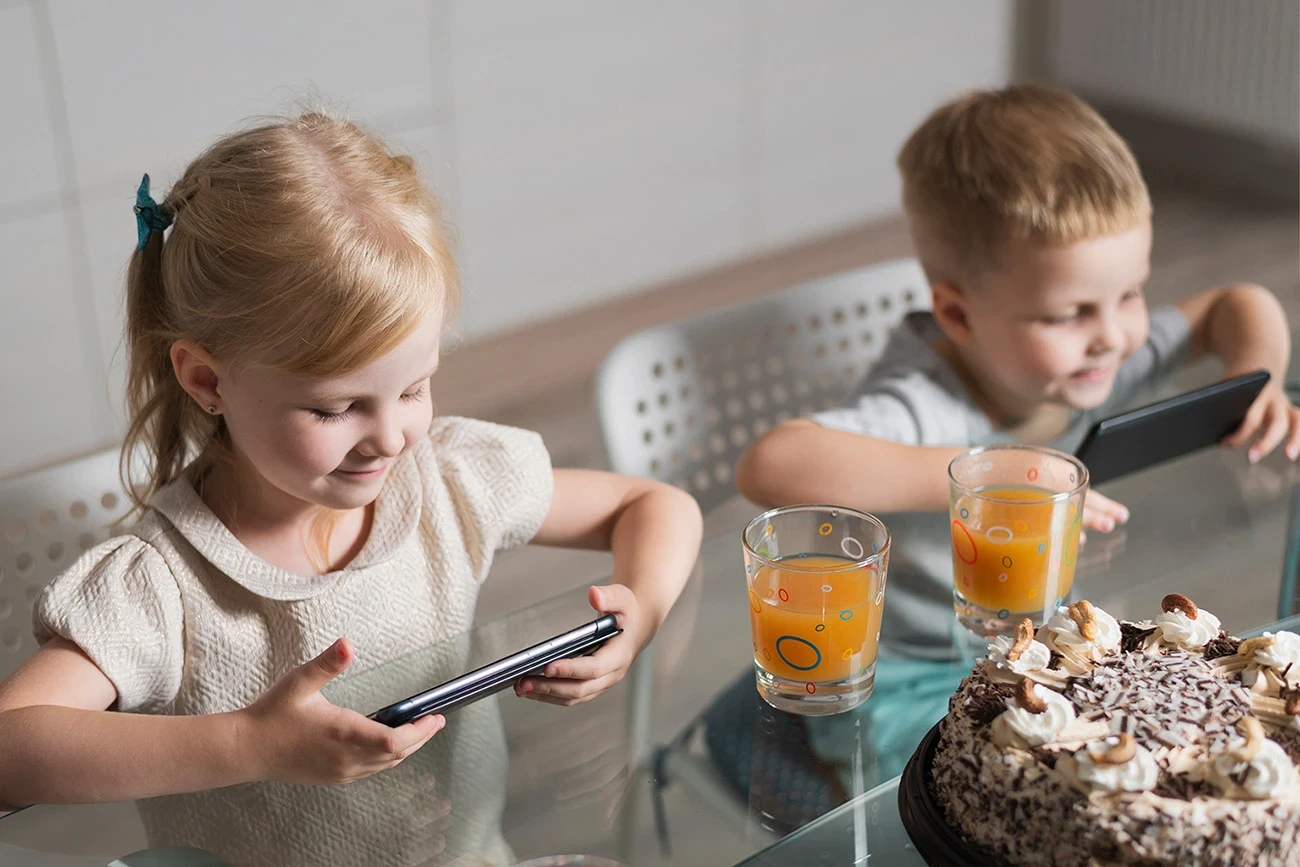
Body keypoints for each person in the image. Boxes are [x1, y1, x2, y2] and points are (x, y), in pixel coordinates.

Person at [0, 112, 702, 865]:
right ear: (207, 380)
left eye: (415, 387)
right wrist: (249, 744)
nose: (391, 436)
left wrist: (643, 605)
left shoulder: (448, 481)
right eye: (335, 408)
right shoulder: (162, 586)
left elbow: (656, 505)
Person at [736, 83, 1298, 661]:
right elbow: (769, 463)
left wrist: (1259, 375)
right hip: (912, 666)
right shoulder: (921, 403)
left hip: (1041, 642)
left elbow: (1238, 302)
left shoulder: (1095, 359)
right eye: (1068, 314)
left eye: (1130, 293)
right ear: (958, 315)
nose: (1113, 334)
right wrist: (991, 479)